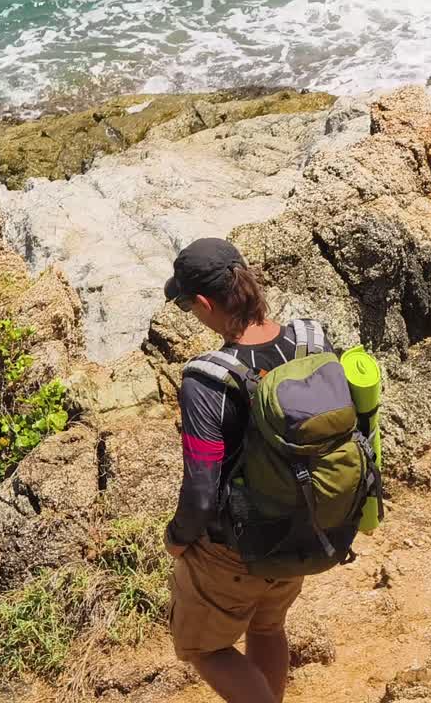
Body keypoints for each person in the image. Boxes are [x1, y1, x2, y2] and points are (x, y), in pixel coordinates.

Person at [162, 238, 331, 703]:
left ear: (202, 303)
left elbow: (201, 488)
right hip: (304, 523)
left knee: (205, 647)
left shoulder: (208, 378)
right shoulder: (312, 340)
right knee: (268, 624)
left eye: (187, 306)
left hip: (236, 551)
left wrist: (178, 538)